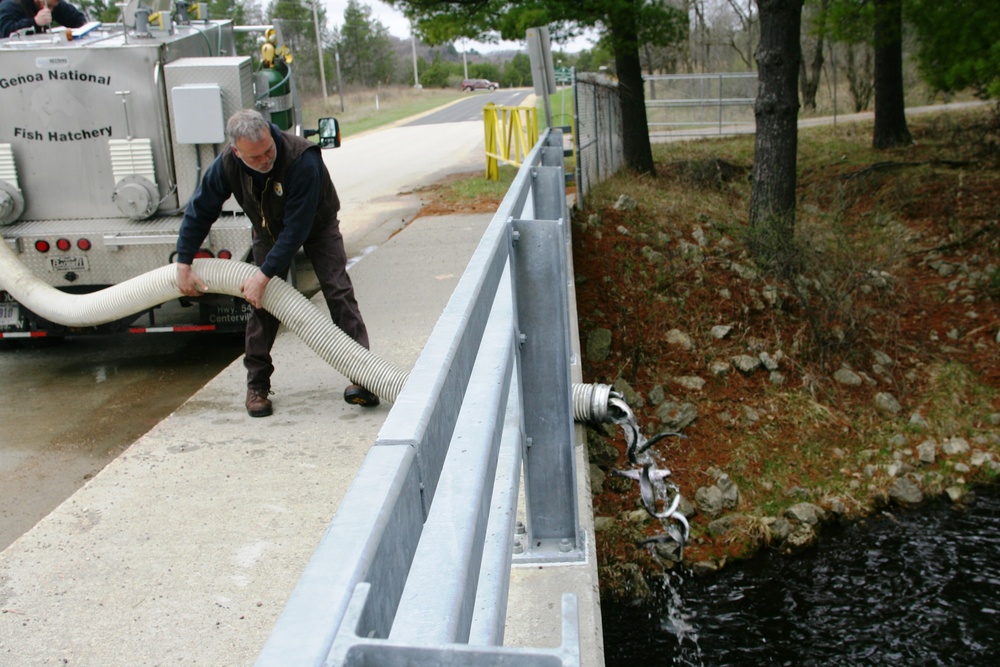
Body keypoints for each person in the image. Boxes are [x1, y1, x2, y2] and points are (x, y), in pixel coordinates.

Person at [175, 109, 379, 417]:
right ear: (236, 151)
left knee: (338, 292)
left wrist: (265, 273)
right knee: (261, 303)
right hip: (268, 230)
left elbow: (296, 229)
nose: (265, 160)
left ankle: (364, 378)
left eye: (268, 151)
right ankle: (257, 385)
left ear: (271, 134)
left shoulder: (302, 158)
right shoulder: (227, 165)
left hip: (317, 227)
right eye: (254, 157)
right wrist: (184, 261)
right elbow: (201, 209)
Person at [0, 0, 85, 39]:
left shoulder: (55, 4)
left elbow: (77, 20)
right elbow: (6, 31)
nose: (51, 10)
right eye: (49, 6)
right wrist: (34, 22)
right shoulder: (10, 4)